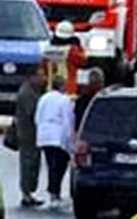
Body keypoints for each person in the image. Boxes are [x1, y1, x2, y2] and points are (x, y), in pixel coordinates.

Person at [34, 76, 75, 208]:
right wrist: (70, 140)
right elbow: (68, 121)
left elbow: (37, 117)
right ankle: (54, 192)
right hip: (58, 137)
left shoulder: (44, 98)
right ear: (62, 86)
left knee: (51, 164)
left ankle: (52, 192)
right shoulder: (64, 100)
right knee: (59, 166)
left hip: (44, 136)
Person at [15, 65, 46, 207]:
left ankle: (30, 192)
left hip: (34, 134)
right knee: (28, 163)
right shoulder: (26, 93)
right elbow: (32, 113)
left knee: (34, 163)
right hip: (28, 134)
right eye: (40, 76)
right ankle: (26, 193)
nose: (43, 79)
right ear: (32, 77)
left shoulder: (34, 91)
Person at [45, 21, 87, 96]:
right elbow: (84, 60)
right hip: (69, 91)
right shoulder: (73, 51)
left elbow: (43, 67)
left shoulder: (48, 50)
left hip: (50, 90)